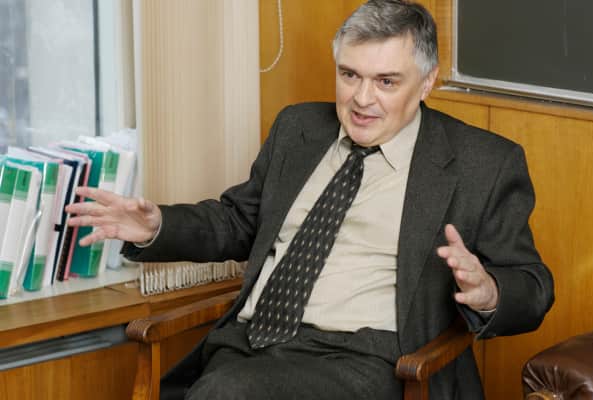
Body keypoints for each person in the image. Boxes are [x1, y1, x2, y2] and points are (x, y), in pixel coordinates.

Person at [66, 1, 554, 399]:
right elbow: (239, 222)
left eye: (386, 82)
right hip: (250, 343)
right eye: (349, 75)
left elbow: (533, 286)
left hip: (368, 359)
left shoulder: (482, 163)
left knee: (226, 394)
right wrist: (157, 227)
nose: (362, 99)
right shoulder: (299, 128)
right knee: (225, 387)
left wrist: (489, 291)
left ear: (427, 82)